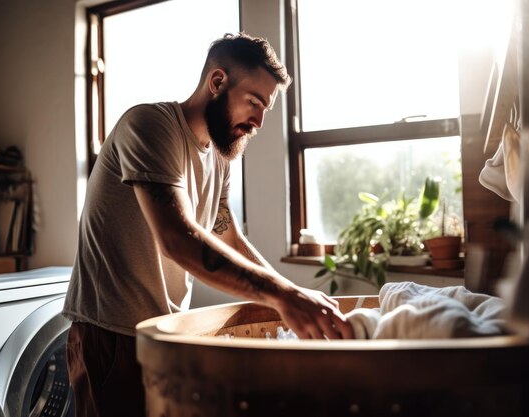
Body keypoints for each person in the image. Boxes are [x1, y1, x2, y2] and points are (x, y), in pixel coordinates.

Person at [62, 32, 354, 417]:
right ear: (217, 82)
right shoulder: (150, 125)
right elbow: (177, 239)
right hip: (110, 336)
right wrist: (284, 295)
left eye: (266, 108)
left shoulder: (219, 156)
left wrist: (290, 298)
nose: (260, 121)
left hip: (163, 334)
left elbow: (227, 236)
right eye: (254, 102)